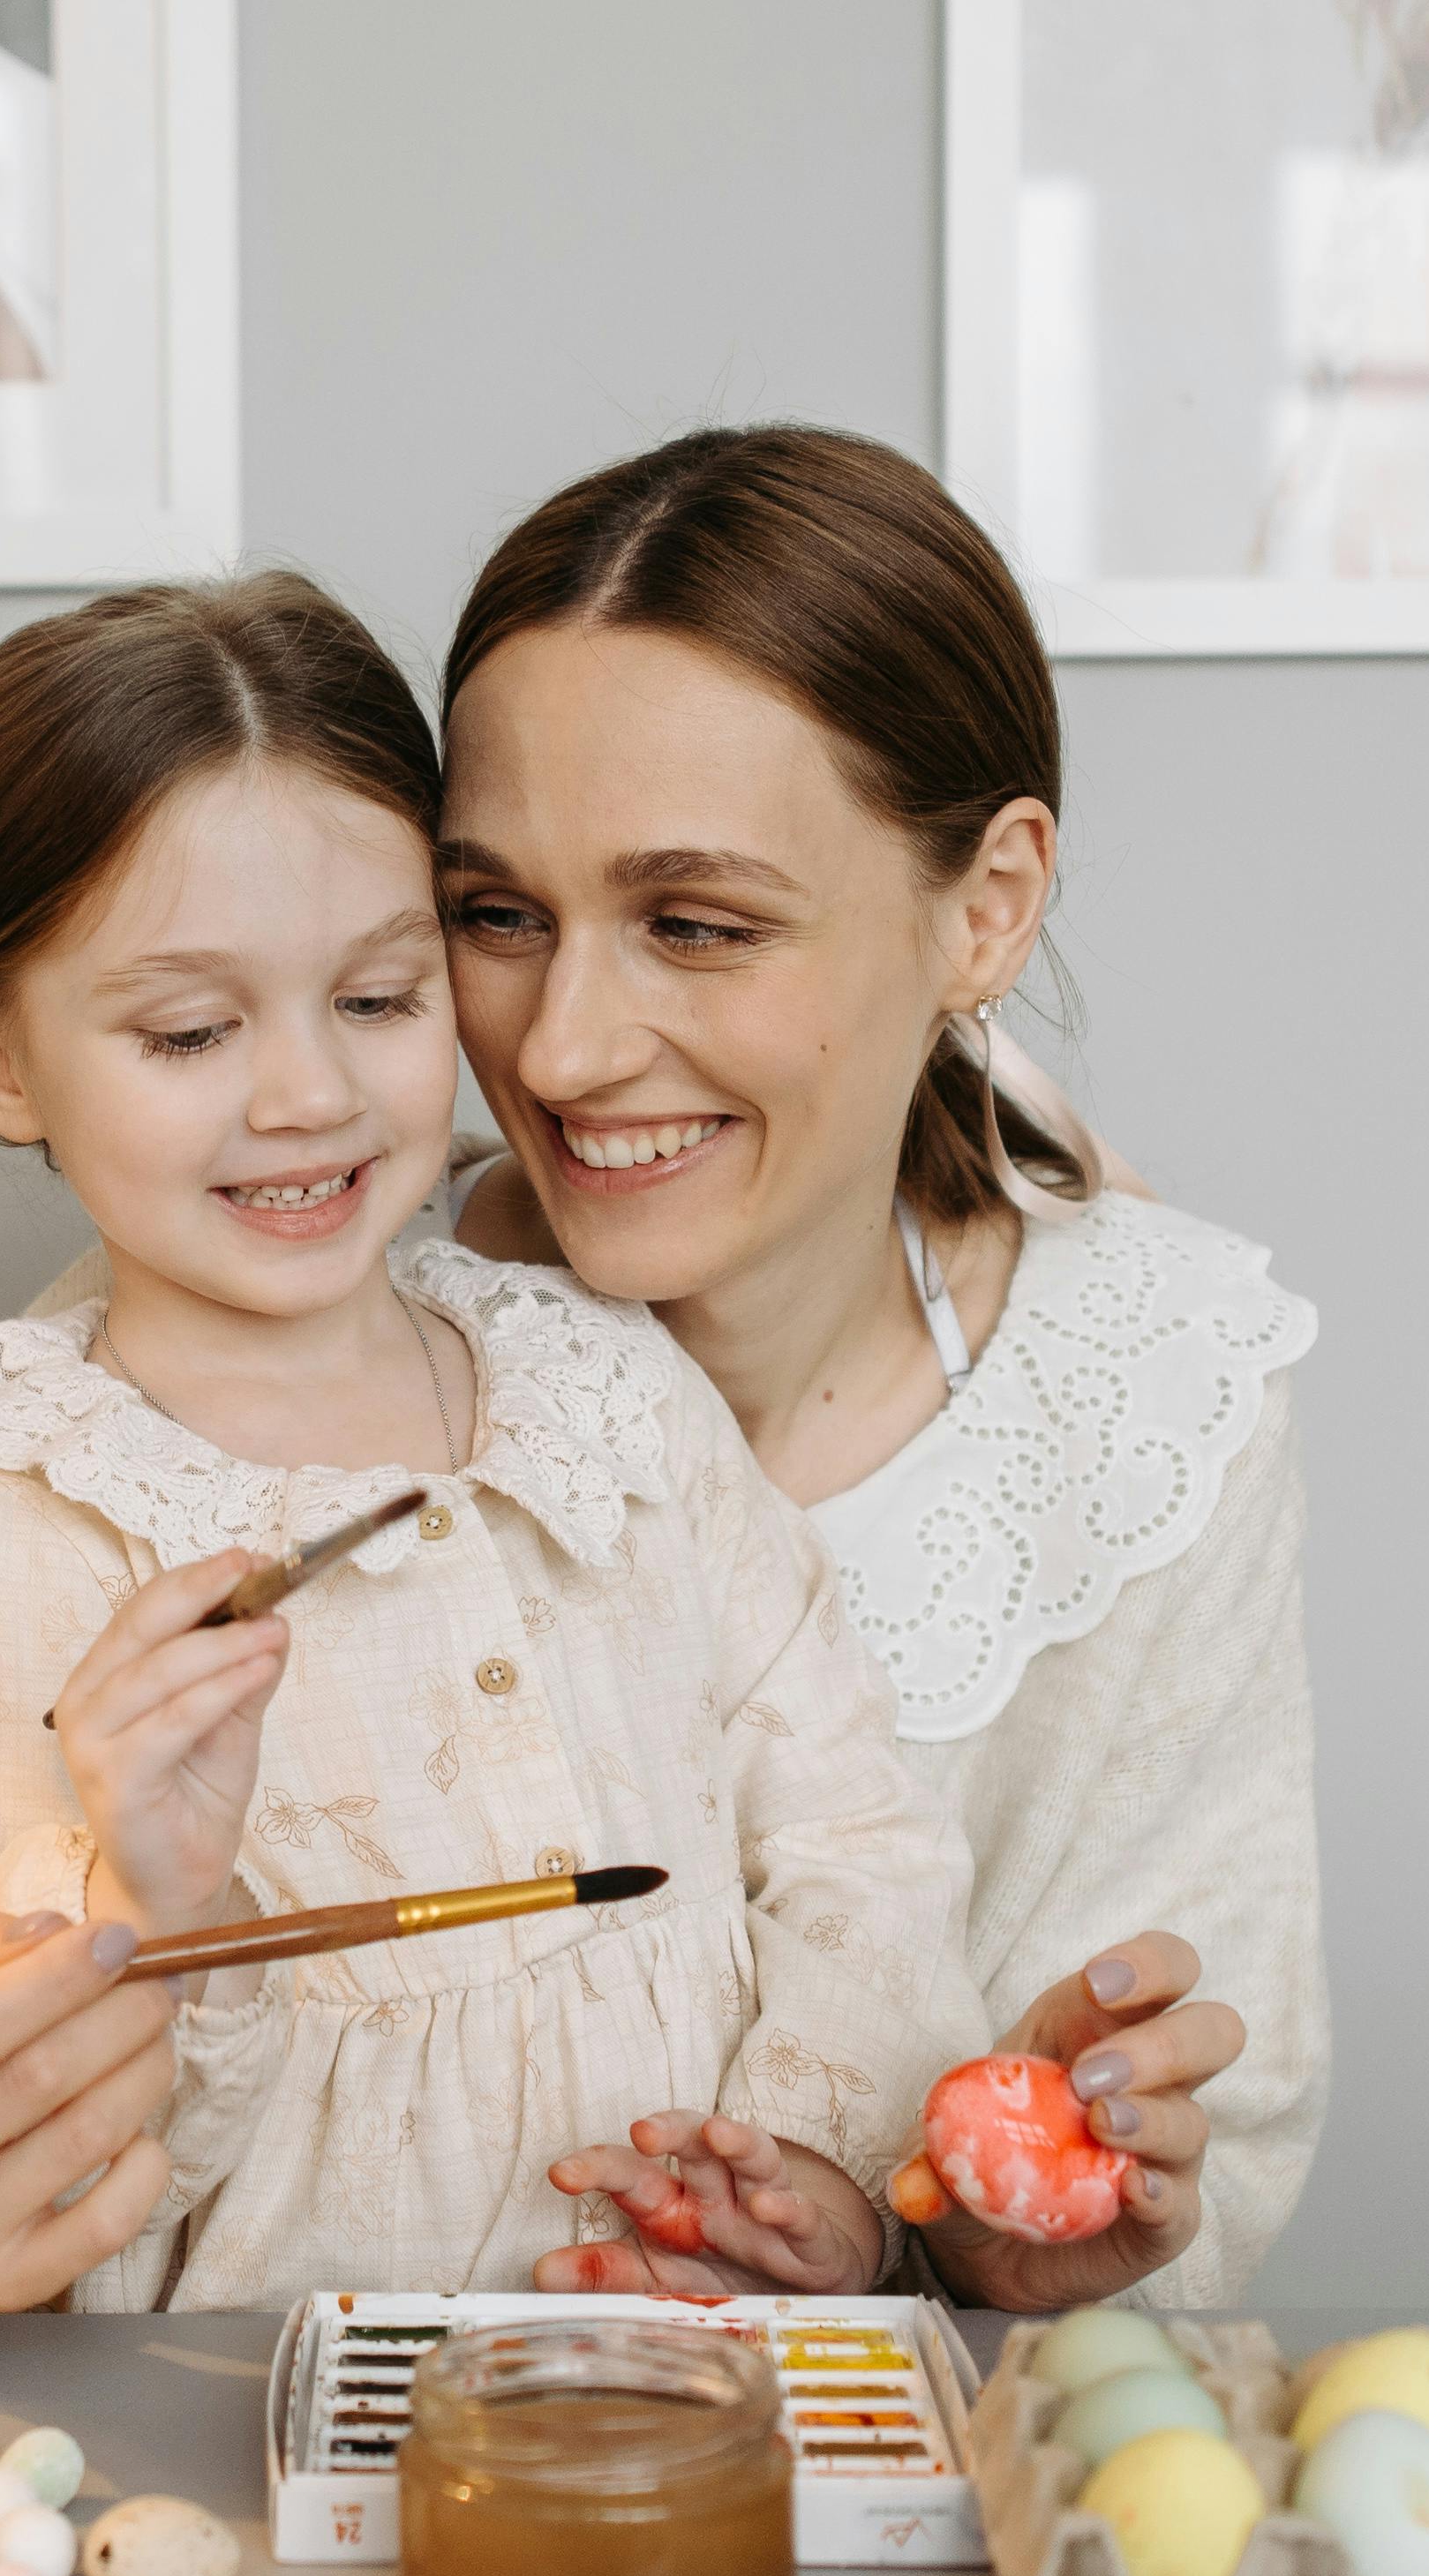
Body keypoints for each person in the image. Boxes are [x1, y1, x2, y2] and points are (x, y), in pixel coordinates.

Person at [0, 573, 997, 2338]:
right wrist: (138, 1899)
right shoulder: (16, 1530)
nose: (304, 1098)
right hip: (227, 2454)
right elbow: (13, 2176)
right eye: (190, 1031)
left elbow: (855, 1833)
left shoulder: (606, 1395)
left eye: (380, 997)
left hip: (683, 2393)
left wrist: (810, 2160)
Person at [423, 424, 1325, 2311]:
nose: (565, 1046)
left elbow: (1203, 2184)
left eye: (695, 923)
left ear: (982, 906)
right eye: (497, 914)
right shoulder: (274, 1332)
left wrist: (1019, 2243)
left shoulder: (1139, 1398)